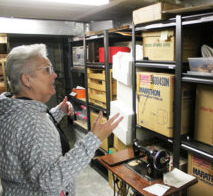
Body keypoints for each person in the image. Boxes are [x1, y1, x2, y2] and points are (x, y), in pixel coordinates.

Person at [0, 44, 123, 195]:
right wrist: (94, 139)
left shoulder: (11, 109)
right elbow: (51, 181)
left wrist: (57, 113)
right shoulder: (31, 123)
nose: (54, 75)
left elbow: (28, 141)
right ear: (27, 80)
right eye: (47, 70)